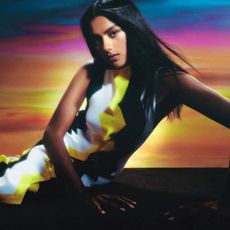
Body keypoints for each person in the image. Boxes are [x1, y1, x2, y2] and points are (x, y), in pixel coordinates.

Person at [0, 0, 229, 215]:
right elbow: (52, 134)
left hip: (90, 179)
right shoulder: (90, 72)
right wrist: (80, 194)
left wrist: (224, 203)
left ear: (132, 30)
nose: (105, 47)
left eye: (112, 33)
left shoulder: (167, 81)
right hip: (44, 164)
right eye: (96, 40)